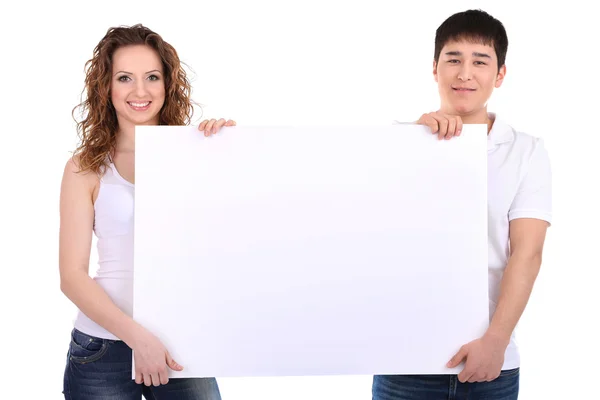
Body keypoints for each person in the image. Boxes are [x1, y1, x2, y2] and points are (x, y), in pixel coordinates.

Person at [372, 9, 552, 400]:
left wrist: (496, 341)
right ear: (434, 69)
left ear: (499, 75)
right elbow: (375, 237)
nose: (465, 73)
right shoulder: (398, 143)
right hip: (404, 361)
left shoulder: (525, 151)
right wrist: (416, 148)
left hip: (490, 363)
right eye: (453, 59)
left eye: (480, 61)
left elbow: (528, 253)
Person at [59, 24, 233, 399]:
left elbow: (235, 235)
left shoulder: (197, 155)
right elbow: (71, 276)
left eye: (152, 77)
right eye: (125, 78)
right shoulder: (85, 167)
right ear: (106, 87)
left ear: (167, 85)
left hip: (181, 343)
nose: (140, 91)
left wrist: (231, 150)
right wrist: (139, 338)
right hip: (102, 350)